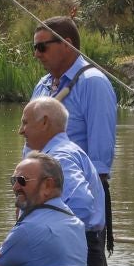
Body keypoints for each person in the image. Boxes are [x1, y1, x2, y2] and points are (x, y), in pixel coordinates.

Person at [30, 15, 117, 248]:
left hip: (78, 198)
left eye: (42, 47)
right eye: (34, 47)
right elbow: (29, 141)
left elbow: (100, 161)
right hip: (39, 193)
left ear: (66, 44)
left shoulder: (93, 82)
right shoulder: (42, 86)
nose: (37, 54)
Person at [19, 97, 107, 266]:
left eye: (25, 123)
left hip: (76, 262)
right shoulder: (58, 153)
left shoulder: (60, 157)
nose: (20, 130)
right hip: (81, 257)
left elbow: (81, 205)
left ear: (44, 122)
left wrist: (50, 242)